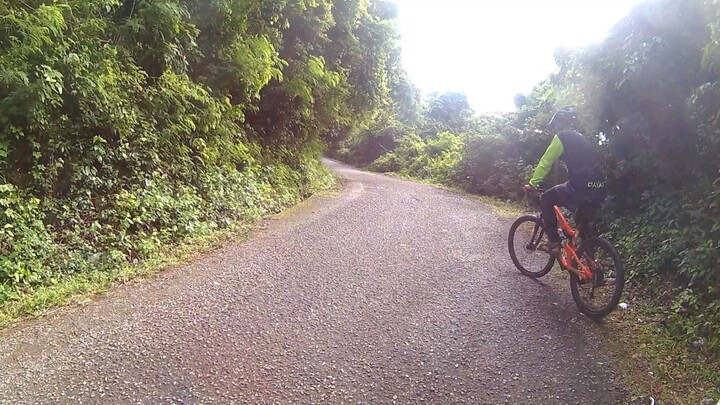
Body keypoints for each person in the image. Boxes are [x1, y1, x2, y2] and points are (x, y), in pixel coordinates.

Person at [525, 106, 606, 255]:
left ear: (558, 124)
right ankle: (593, 267)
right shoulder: (582, 138)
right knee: (583, 224)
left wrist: (533, 183)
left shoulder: (561, 137)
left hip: (580, 185)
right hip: (598, 186)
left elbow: (545, 162)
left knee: (546, 198)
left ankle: (554, 243)